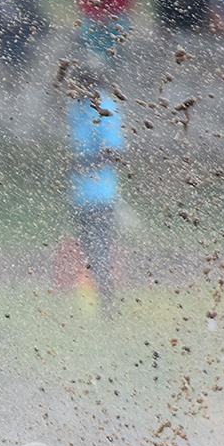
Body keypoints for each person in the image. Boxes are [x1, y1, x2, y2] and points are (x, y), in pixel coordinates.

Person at [65, 66, 127, 312]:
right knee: (91, 248)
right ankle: (103, 296)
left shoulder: (107, 108)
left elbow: (113, 152)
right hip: (80, 194)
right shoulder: (76, 107)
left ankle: (107, 299)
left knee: (99, 246)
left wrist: (80, 163)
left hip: (101, 194)